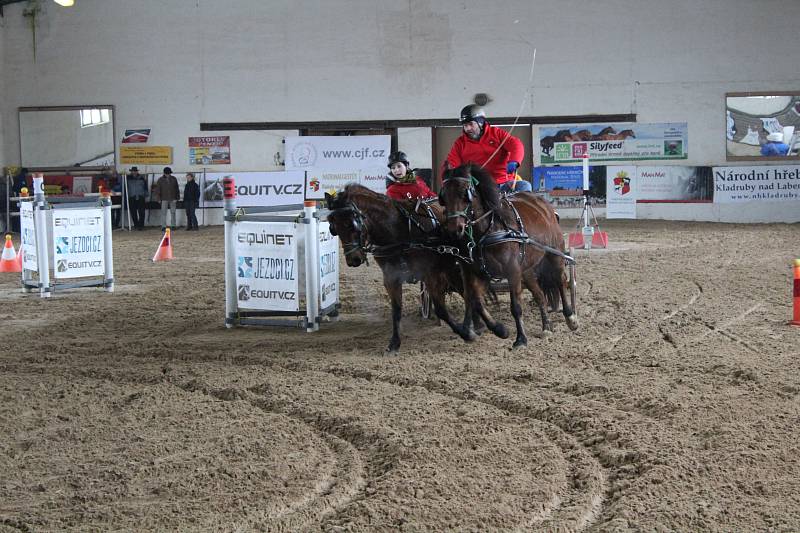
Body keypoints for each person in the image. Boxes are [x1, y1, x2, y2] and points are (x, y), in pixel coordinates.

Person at [445, 105, 532, 193]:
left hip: (504, 183)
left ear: (481, 122)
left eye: (471, 124)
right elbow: (451, 164)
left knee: (525, 185)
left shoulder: (496, 133)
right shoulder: (460, 143)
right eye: (465, 125)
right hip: (478, 186)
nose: (468, 128)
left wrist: (514, 161)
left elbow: (516, 144)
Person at [153, 166, 180, 231]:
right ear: (164, 173)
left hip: (173, 198)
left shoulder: (174, 179)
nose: (168, 175)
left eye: (169, 173)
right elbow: (158, 190)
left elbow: (177, 189)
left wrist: (177, 198)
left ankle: (173, 225)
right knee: (163, 213)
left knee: (173, 212)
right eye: (167, 173)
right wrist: (158, 199)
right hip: (164, 198)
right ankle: (163, 226)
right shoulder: (160, 180)